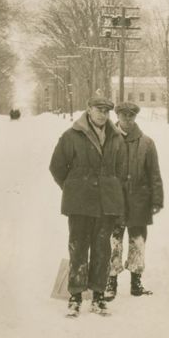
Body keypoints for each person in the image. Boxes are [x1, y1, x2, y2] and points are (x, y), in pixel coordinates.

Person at [49, 95, 124, 318]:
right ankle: (75, 296)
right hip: (80, 203)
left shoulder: (116, 138)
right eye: (98, 109)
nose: (102, 114)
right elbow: (57, 167)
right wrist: (73, 187)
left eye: (106, 111)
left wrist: (112, 190)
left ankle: (99, 296)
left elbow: (120, 171)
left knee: (103, 249)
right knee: (78, 247)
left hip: (106, 203)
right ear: (88, 110)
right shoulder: (71, 136)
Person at [105, 101, 164, 299]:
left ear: (135, 117)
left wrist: (157, 199)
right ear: (118, 117)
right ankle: (110, 281)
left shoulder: (147, 142)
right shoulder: (107, 139)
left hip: (139, 200)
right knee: (114, 241)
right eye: (124, 116)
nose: (127, 119)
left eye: (131, 116)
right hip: (114, 200)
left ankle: (136, 282)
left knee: (138, 241)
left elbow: (154, 173)